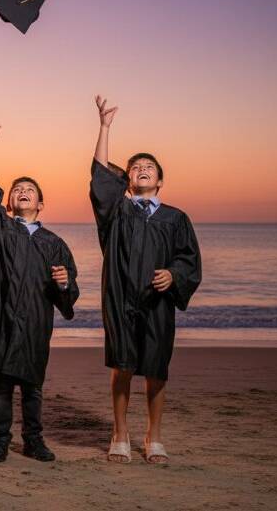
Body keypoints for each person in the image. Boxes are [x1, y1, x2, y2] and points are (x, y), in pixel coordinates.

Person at [90, 96, 202, 464]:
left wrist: (174, 274)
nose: (140, 169)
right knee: (122, 364)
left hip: (157, 302)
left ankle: (154, 436)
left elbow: (189, 259)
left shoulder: (175, 218)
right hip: (121, 298)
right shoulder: (116, 212)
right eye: (134, 166)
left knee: (156, 368)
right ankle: (120, 433)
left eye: (148, 166)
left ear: (160, 180)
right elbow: (102, 180)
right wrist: (105, 128)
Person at [0, 114, 79, 463]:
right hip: (3, 317)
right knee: (1, 386)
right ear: (9, 201)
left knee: (32, 386)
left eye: (30, 190)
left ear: (41, 204)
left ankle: (33, 440)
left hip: (33, 321)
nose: (23, 193)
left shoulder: (53, 242)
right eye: (17, 190)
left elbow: (68, 287)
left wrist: (65, 283)